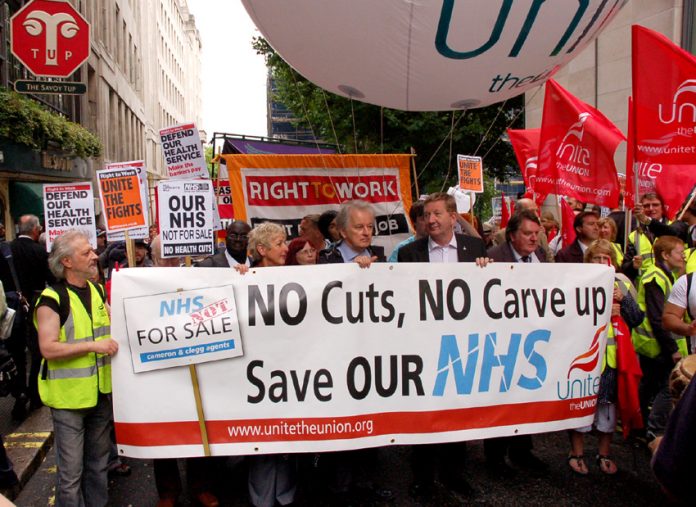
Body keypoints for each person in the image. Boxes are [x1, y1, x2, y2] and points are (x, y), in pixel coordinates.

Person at [398, 192, 489, 498]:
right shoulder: (410, 253)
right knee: (425, 412)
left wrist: (486, 269)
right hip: (424, 344)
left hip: (461, 343)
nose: (431, 220)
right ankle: (422, 477)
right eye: (426, 215)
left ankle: (454, 475)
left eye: (437, 214)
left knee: (457, 412)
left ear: (454, 217)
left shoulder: (475, 248)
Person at [34, 230, 118, 507]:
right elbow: (48, 348)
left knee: (98, 468)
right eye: (86, 253)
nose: (95, 256)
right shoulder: (51, 298)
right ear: (67, 261)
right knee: (70, 478)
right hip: (69, 400)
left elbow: (118, 323)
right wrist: (93, 346)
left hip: (99, 395)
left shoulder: (95, 290)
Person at [152, 234, 220, 507]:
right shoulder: (141, 280)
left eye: (175, 253)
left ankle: (199, 486)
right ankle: (168, 492)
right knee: (163, 431)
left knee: (198, 428)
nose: (172, 258)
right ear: (156, 257)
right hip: (160, 366)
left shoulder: (196, 275)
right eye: (166, 254)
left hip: (195, 363)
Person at [567, 240, 643, 475]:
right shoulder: (577, 281)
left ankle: (604, 453)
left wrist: (624, 299)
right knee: (581, 404)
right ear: (588, 261)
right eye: (596, 258)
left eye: (605, 258)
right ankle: (576, 453)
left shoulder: (623, 282)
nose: (600, 262)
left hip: (612, 358)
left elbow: (637, 318)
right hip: (585, 357)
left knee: (608, 408)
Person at [483, 210, 548, 476]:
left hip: (531, 340)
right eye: (528, 233)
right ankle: (495, 456)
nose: (534, 238)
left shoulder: (541, 257)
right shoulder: (494, 258)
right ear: (512, 235)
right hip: (501, 340)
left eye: (537, 233)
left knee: (526, 397)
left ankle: (522, 450)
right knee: (500, 399)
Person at [245, 223, 296, 507]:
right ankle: (262, 498)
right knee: (262, 437)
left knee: (288, 435)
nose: (285, 248)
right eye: (279, 243)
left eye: (285, 242)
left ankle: (285, 495)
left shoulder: (294, 277)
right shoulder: (245, 278)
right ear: (262, 250)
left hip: (290, 368)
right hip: (258, 372)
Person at [633, 236, 688, 440]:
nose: (683, 257)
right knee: (666, 388)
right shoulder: (655, 277)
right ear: (665, 255)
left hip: (656, 345)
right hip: (655, 346)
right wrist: (672, 348)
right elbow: (657, 319)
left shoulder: (667, 275)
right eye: (679, 253)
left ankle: (640, 426)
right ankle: (654, 432)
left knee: (650, 387)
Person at [9, 214, 56, 417]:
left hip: (10, 309)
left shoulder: (6, 249)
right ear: (35, 230)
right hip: (36, 305)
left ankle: (19, 393)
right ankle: (35, 393)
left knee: (16, 353)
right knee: (37, 351)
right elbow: (51, 278)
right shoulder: (39, 251)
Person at [318, 200, 385, 267]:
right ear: (343, 232)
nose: (366, 233)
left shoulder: (378, 254)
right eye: (359, 227)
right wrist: (352, 268)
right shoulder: (327, 259)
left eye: (370, 226)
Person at [622, 193, 670, 281]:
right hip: (645, 288)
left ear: (663, 208)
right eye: (646, 206)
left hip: (670, 285)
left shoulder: (672, 227)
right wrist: (633, 265)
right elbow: (625, 268)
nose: (651, 209)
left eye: (655, 205)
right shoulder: (634, 235)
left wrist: (646, 220)